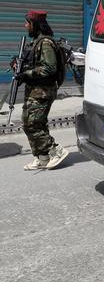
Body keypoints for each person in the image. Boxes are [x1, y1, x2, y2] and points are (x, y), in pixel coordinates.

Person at [15, 10, 68, 170]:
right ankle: (42, 156)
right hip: (35, 90)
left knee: (32, 124)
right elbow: (34, 64)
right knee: (31, 122)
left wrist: (27, 74)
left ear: (35, 25)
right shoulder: (36, 42)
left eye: (27, 23)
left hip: (43, 91)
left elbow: (49, 68)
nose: (25, 26)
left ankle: (56, 150)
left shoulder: (45, 43)